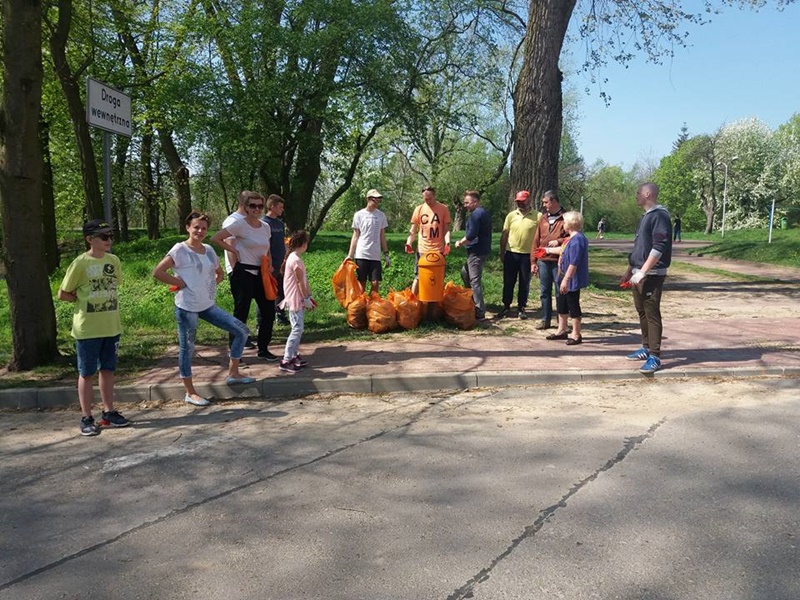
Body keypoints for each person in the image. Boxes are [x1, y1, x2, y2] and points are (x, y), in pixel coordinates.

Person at [153, 211, 254, 407]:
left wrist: (210, 285)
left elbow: (219, 273)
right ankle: (190, 392)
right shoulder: (179, 250)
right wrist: (180, 283)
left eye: (204, 228)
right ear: (188, 228)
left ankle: (233, 373)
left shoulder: (208, 249)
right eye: (196, 227)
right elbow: (158, 272)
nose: (200, 231)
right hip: (187, 307)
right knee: (187, 348)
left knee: (241, 330)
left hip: (207, 305)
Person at [58, 219, 130, 436]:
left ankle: (108, 412)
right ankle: (86, 417)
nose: (109, 240)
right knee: (86, 372)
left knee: (108, 370)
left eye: (111, 236)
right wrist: (82, 300)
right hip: (88, 329)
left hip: (111, 326)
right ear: (90, 239)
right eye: (104, 236)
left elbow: (114, 286)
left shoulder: (113, 260)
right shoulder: (80, 264)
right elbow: (63, 293)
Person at [211, 191, 278, 361]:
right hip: (243, 273)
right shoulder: (239, 224)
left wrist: (269, 263)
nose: (256, 209)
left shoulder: (265, 227)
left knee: (268, 311)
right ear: (246, 207)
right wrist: (233, 252)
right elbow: (216, 238)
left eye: (259, 206)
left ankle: (263, 349)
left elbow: (267, 247)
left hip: (261, 274)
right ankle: (236, 353)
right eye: (252, 206)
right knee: (241, 313)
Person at [621, 182, 672, 374]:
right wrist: (630, 269)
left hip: (651, 275)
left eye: (638, 193)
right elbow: (639, 248)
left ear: (647, 194)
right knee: (641, 311)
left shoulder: (659, 216)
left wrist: (644, 271)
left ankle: (655, 356)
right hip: (638, 273)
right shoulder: (645, 217)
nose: (636, 196)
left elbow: (659, 246)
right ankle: (645, 347)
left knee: (651, 313)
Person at [544, 211, 589, 345]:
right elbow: (563, 250)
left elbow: (574, 262)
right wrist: (546, 250)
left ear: (570, 223)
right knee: (561, 302)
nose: (562, 224)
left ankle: (576, 334)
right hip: (563, 275)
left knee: (572, 303)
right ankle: (561, 330)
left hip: (572, 278)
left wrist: (566, 279)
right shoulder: (570, 238)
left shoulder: (578, 240)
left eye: (564, 222)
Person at [531, 190, 569, 330]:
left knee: (560, 291)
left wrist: (558, 241)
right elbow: (536, 240)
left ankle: (562, 322)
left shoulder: (566, 217)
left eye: (546, 202)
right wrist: (533, 261)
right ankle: (545, 319)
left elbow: (572, 237)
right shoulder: (543, 218)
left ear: (553, 201)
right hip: (543, 259)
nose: (544, 205)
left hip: (559, 259)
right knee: (544, 291)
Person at [498, 190, 539, 319]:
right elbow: (505, 234)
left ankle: (521, 307)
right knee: (509, 281)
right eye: (518, 201)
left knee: (524, 282)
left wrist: (536, 256)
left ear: (529, 200)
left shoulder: (538, 216)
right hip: (511, 253)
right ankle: (506, 306)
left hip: (527, 255)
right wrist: (502, 251)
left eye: (522, 201)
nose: (520, 203)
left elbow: (540, 237)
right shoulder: (511, 215)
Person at [279, 230, 315, 374]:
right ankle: (286, 359)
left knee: (298, 328)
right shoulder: (295, 260)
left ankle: (294, 356)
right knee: (297, 329)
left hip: (297, 298)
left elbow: (303, 282)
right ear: (303, 244)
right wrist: (305, 299)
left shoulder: (294, 258)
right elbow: (300, 283)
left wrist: (308, 296)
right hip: (295, 299)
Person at [405, 186, 451, 296]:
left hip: (438, 249)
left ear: (435, 195)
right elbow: (413, 230)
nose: (428, 201)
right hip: (422, 249)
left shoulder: (443, 209)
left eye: (430, 198)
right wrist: (409, 243)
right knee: (418, 277)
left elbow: (446, 230)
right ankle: (412, 302)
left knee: (438, 277)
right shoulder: (419, 209)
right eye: (425, 199)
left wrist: (448, 243)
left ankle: (436, 302)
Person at [455, 190, 492, 320]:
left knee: (474, 281)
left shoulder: (476, 214)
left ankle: (479, 311)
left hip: (477, 251)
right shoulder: (482, 212)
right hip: (480, 250)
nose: (465, 205)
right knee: (465, 272)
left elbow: (471, 235)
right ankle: (470, 301)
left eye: (467, 202)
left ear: (475, 202)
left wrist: (460, 242)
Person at [347, 188, 390, 295]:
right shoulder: (359, 215)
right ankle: (361, 307)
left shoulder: (381, 215)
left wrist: (386, 255)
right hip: (362, 254)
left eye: (379, 200)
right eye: (376, 199)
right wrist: (350, 255)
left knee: (375, 283)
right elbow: (355, 236)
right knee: (362, 282)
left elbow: (382, 236)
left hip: (375, 255)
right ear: (369, 199)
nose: (378, 202)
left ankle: (372, 307)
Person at [263, 194, 290, 325]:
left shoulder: (279, 223)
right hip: (271, 264)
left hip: (281, 263)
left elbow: (282, 241)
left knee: (281, 290)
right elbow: (265, 245)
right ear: (272, 207)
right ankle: (264, 319)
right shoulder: (264, 223)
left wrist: (287, 256)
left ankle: (280, 314)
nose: (282, 209)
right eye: (280, 207)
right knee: (268, 291)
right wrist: (270, 263)